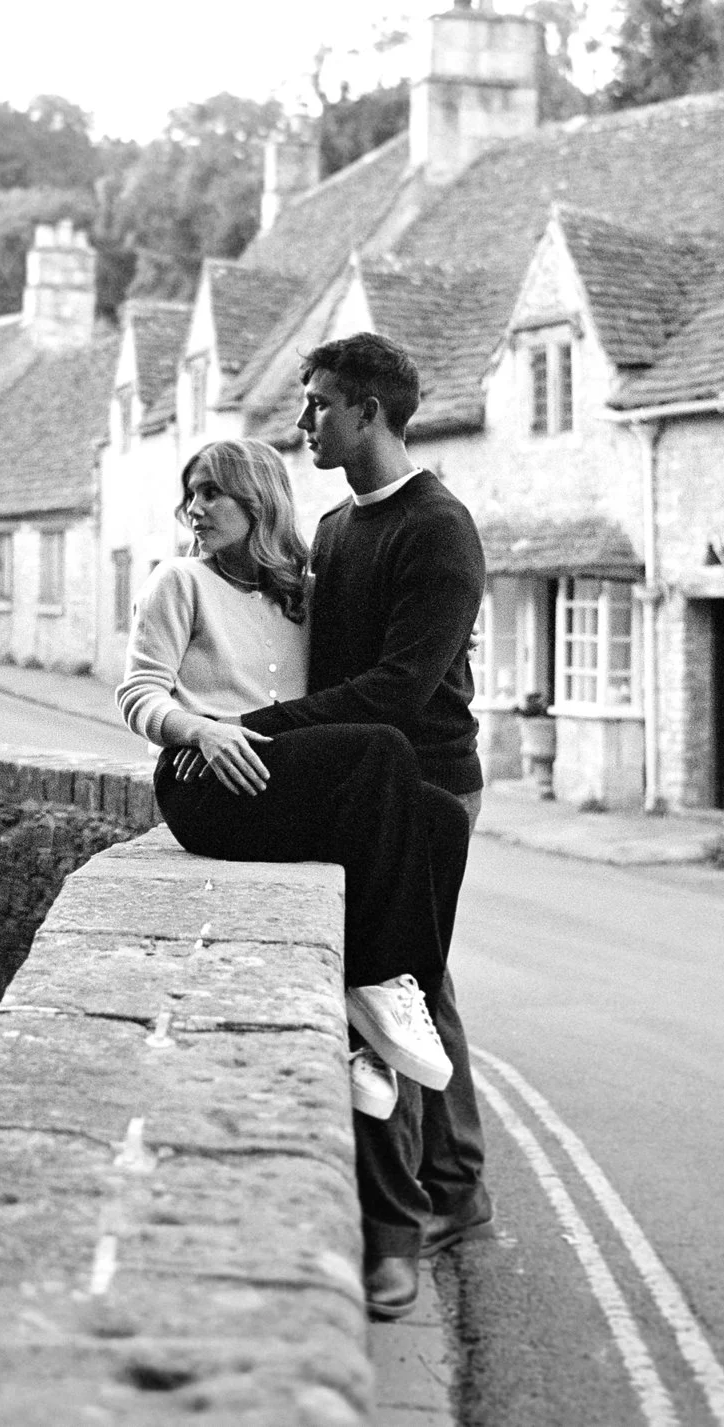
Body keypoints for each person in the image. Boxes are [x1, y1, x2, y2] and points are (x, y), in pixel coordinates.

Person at [235, 332, 491, 1322]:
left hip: (426, 784)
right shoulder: (338, 526)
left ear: (370, 413)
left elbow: (397, 689)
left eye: (318, 407)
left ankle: (426, 1211)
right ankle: (453, 1177)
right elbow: (316, 662)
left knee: (396, 979)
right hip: (360, 783)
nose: (304, 425)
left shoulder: (438, 529)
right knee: (416, 974)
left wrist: (252, 731)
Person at [116, 438, 471, 1111]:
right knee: (384, 749)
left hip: (280, 779)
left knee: (443, 819)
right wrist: (203, 728)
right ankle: (374, 983)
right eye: (190, 493)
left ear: (259, 498)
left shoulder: (304, 598)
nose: (195, 507)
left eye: (212, 491)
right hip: (202, 779)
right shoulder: (179, 581)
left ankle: (383, 1022)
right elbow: (138, 692)